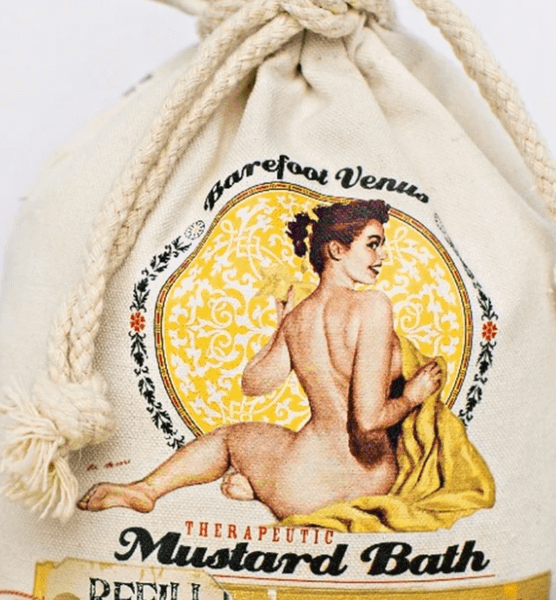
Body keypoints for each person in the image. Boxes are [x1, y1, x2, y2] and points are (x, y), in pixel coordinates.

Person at [78, 199, 442, 520]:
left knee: (229, 437)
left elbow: (254, 384)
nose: (383, 256)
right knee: (275, 439)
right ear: (336, 250)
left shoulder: (299, 318)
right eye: (373, 244)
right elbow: (367, 421)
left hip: (298, 490)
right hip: (367, 481)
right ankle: (252, 482)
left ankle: (147, 490)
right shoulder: (372, 305)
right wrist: (412, 396)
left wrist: (282, 327)